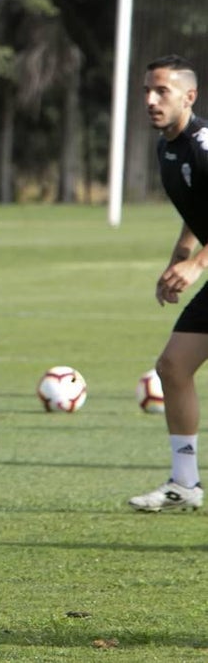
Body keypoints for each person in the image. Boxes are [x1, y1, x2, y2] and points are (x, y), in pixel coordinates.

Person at [128, 53, 206, 513]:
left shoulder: (203, 144)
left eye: (162, 92)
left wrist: (196, 266)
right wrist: (179, 258)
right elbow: (199, 212)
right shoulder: (168, 148)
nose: (152, 100)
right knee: (174, 367)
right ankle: (185, 483)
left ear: (188, 97)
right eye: (146, 92)